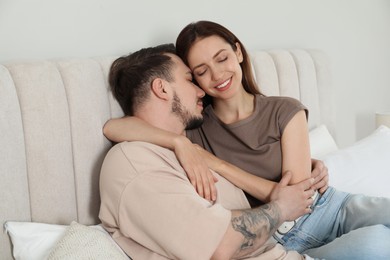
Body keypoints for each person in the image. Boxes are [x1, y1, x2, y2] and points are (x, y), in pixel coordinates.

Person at [104, 21, 390, 259]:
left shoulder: (283, 110)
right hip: (282, 236)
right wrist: (180, 144)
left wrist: (215, 163)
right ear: (163, 89)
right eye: (198, 74)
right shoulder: (193, 129)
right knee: (378, 243)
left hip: (322, 208)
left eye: (222, 58)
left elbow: (298, 196)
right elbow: (114, 127)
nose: (214, 77)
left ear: (238, 52)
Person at [99, 43, 318, 260]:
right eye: (189, 79)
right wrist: (280, 209)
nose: (201, 90)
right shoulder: (135, 163)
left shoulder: (187, 146)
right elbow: (219, 246)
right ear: (162, 88)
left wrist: (311, 163)